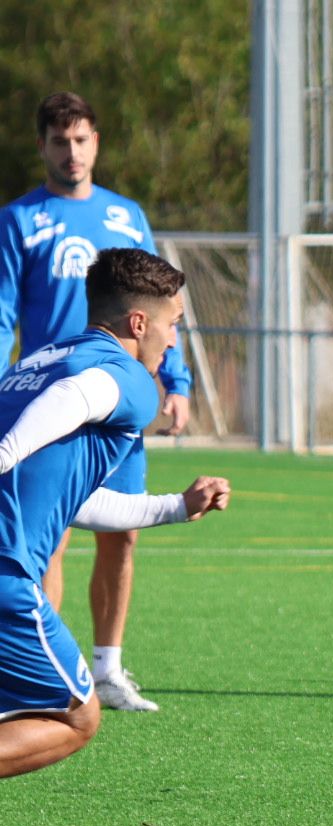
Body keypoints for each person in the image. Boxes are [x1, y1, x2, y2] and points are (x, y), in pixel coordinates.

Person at [0, 248, 228, 779]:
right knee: (76, 718)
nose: (173, 342)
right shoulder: (124, 376)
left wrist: (177, 506)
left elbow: (70, 498)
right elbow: (78, 396)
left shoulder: (35, 362)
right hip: (7, 575)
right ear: (139, 322)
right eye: (173, 325)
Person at [0, 92, 192, 713]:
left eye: (82, 139)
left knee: (121, 530)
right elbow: (5, 312)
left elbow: (158, 309)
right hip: (62, 386)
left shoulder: (124, 215)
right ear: (43, 147)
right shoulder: (20, 219)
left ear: (96, 142)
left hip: (113, 399)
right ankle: (31, 663)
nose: (72, 151)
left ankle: (107, 668)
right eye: (60, 141)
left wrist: (178, 380)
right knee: (47, 531)